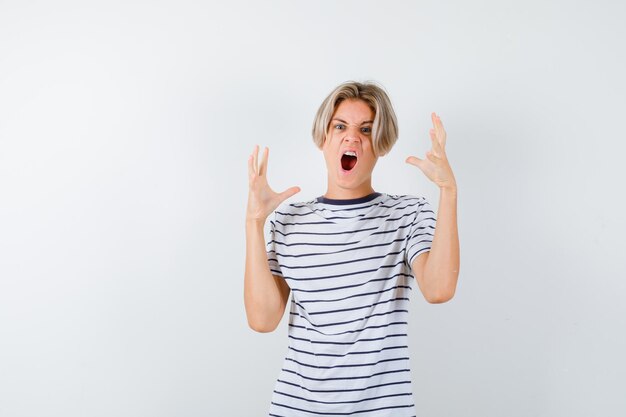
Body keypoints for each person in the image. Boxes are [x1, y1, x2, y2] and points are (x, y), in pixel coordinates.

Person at [244, 80, 460, 416]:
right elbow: (262, 320)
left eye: (366, 129)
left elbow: (439, 289)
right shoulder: (288, 220)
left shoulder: (407, 215)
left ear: (381, 144)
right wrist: (253, 223)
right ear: (324, 138)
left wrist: (448, 191)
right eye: (340, 126)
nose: (351, 137)